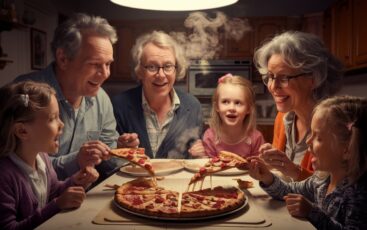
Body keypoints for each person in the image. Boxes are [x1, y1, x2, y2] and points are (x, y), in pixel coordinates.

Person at [14, 13, 124, 182]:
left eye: (108, 64)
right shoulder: (23, 95)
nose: (105, 74)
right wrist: (76, 161)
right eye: (95, 64)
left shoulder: (101, 98)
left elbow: (109, 162)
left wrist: (122, 151)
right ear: (63, 58)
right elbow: (19, 168)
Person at [246, 95, 367, 229]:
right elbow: (289, 191)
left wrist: (312, 212)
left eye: (318, 137)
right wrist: (268, 178)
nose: (308, 141)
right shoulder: (320, 181)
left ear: (347, 149)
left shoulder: (359, 195)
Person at [0, 81, 99, 229]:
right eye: (52, 118)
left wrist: (77, 181)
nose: (61, 124)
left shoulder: (42, 158)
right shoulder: (4, 176)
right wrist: (57, 206)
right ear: (22, 131)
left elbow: (52, 192)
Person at [253, 31, 343, 181]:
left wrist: (294, 171)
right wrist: (271, 164)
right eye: (270, 77)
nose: (273, 86)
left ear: (312, 78)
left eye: (284, 78)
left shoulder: (333, 128)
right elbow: (283, 178)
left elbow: (335, 193)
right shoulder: (283, 118)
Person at [111, 30, 203, 159]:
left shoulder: (192, 106)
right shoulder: (119, 106)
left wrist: (200, 155)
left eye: (168, 66)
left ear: (177, 69)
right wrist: (118, 152)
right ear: (140, 71)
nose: (161, 75)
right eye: (152, 67)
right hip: (135, 179)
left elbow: (197, 156)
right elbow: (106, 163)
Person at [199, 74, 264, 157]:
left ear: (248, 109)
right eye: (225, 102)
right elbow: (209, 166)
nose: (232, 108)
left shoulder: (256, 138)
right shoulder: (210, 137)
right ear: (217, 107)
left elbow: (260, 167)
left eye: (238, 103)